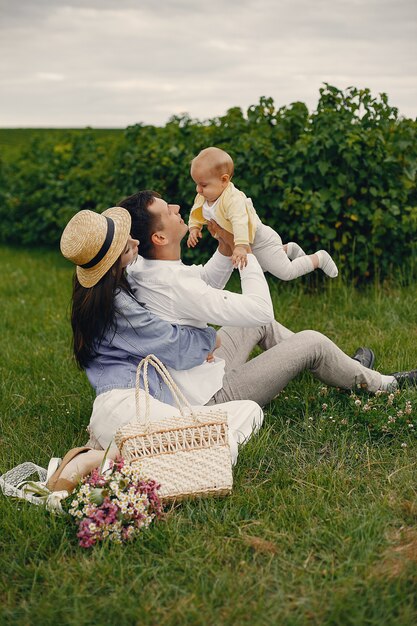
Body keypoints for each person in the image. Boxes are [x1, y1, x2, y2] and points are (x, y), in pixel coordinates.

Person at [119, 190, 417, 413]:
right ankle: (385, 384)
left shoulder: (142, 266)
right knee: (310, 340)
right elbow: (260, 309)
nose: (177, 207)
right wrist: (244, 249)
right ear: (158, 238)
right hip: (210, 397)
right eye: (167, 211)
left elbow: (202, 283)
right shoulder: (173, 283)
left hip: (197, 375)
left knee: (261, 326)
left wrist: (225, 246)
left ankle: (343, 367)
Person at [47, 207, 264, 492]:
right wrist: (211, 339)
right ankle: (95, 459)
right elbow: (171, 342)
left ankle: (109, 457)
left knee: (248, 411)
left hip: (124, 410)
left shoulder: (102, 291)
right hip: (129, 408)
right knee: (216, 446)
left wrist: (222, 250)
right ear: (113, 265)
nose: (137, 243)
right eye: (128, 246)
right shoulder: (117, 306)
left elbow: (180, 281)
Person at [187, 146, 339, 278]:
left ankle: (319, 258)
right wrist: (194, 228)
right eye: (196, 184)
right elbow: (197, 212)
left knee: (286, 272)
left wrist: (240, 246)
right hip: (248, 242)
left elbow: (240, 221)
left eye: (203, 185)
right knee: (259, 269)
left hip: (260, 240)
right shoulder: (204, 196)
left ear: (224, 180)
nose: (198, 190)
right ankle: (287, 249)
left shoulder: (232, 199)